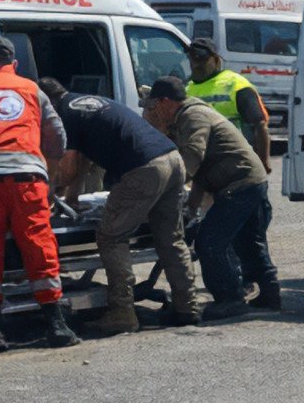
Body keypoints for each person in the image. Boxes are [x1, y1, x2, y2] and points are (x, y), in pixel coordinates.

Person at [39, 77, 198, 335]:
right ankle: (187, 306)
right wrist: (71, 200)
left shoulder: (62, 113)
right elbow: (83, 160)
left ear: (45, 101)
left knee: (111, 236)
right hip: (171, 158)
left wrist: (48, 192)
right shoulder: (85, 103)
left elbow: (67, 169)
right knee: (170, 237)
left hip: (143, 168)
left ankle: (122, 312)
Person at [0, 37, 78, 351]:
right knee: (38, 244)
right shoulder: (33, 90)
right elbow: (57, 134)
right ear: (14, 64)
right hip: (28, 180)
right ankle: (56, 325)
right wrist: (51, 161)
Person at [142, 75, 280, 321]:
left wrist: (163, 188)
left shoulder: (192, 116)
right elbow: (204, 171)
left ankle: (230, 299)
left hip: (239, 183)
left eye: (154, 107)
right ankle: (270, 295)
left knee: (211, 242)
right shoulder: (183, 117)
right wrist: (191, 206)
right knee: (249, 241)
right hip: (246, 180)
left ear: (164, 102)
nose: (153, 112)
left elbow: (193, 158)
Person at [185, 38, 274, 174]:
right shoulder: (187, 88)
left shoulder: (235, 84)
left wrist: (263, 162)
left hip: (236, 162)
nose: (196, 64)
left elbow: (260, 126)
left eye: (202, 59)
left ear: (216, 60)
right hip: (203, 165)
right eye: (192, 58)